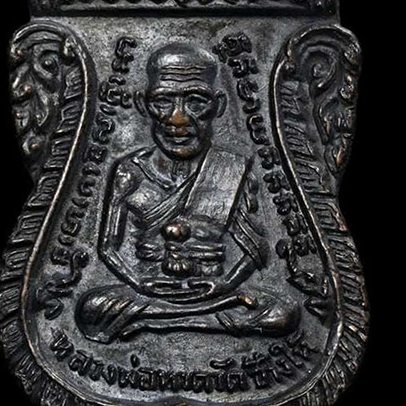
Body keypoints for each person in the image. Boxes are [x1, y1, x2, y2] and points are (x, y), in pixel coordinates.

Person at [76, 42, 299, 342]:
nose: (178, 119)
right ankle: (190, 320)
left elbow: (256, 250)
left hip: (212, 289)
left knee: (283, 313)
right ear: (143, 104)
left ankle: (157, 323)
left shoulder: (229, 168)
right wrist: (139, 282)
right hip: (149, 289)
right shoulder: (130, 171)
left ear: (218, 106)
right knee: (91, 308)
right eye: (163, 101)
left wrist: (225, 284)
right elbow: (108, 247)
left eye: (196, 102)